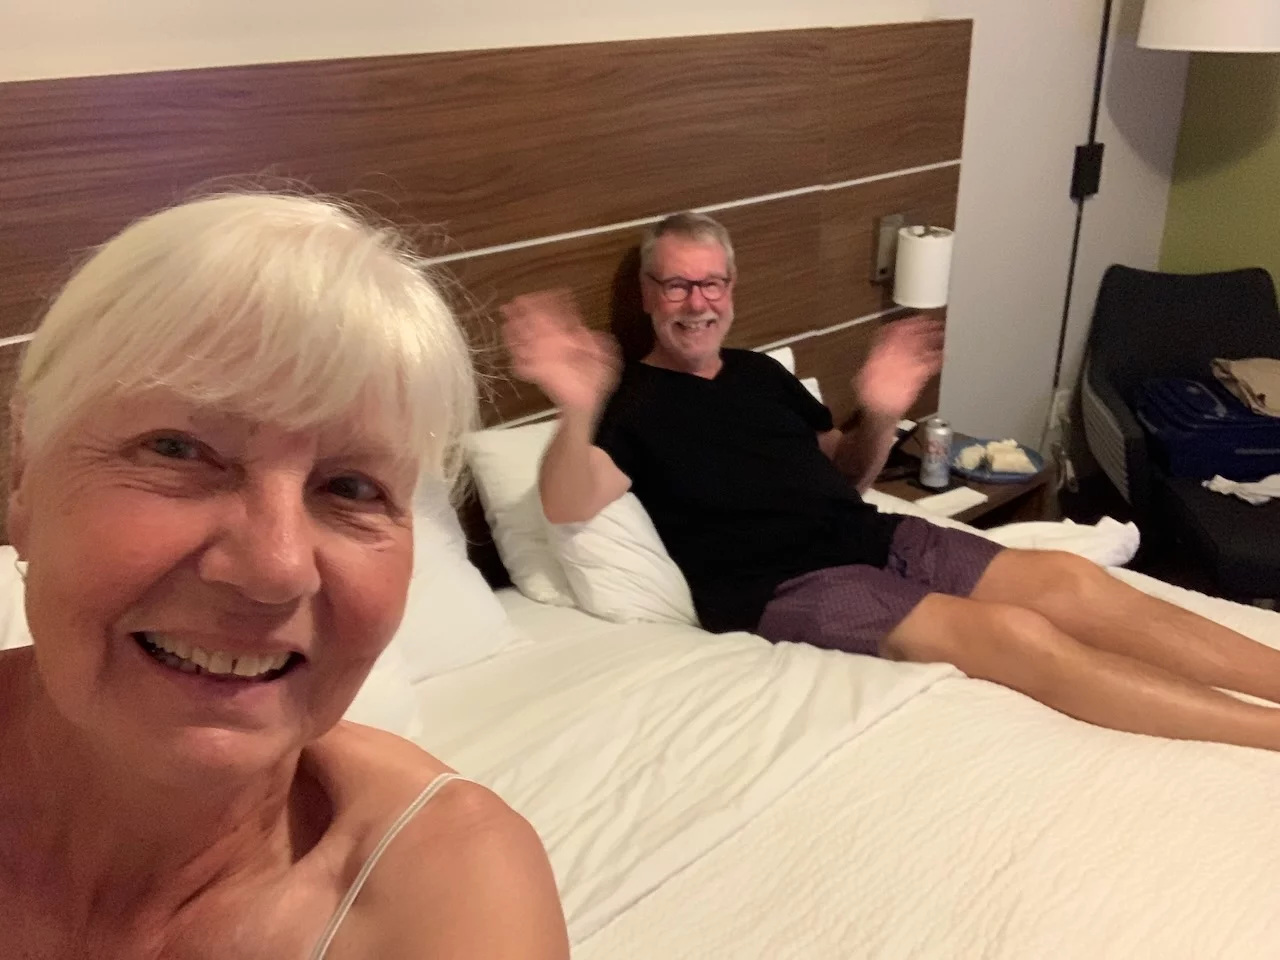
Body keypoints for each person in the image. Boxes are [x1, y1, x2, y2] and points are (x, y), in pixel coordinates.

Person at [0, 193, 569, 958]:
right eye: (177, 450)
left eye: (352, 488)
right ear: (23, 476)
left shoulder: (451, 893)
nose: (276, 568)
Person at [504, 210, 1280, 752]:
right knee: (1014, 634)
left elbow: (846, 473)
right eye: (677, 285)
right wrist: (576, 405)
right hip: (788, 585)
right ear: (648, 294)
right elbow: (567, 505)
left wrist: (879, 412)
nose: (697, 303)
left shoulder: (758, 374)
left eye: (712, 284)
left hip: (875, 534)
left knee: (1072, 583)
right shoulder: (630, 406)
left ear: (732, 289)